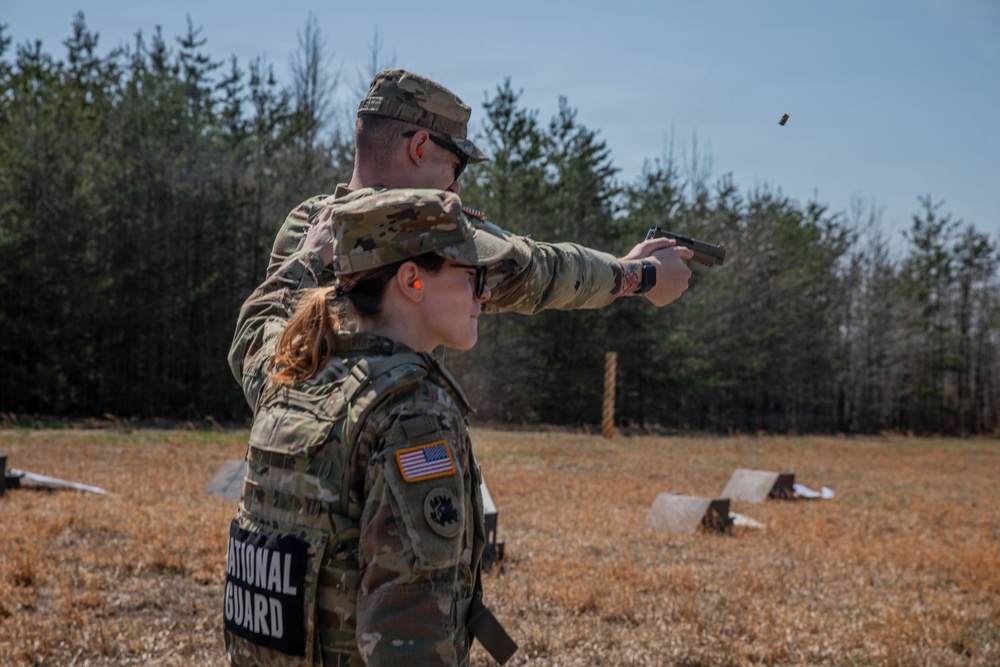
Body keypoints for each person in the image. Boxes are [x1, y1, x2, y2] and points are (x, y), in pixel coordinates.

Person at [230, 68, 694, 410]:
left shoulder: (306, 226)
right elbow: (537, 271)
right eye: (457, 166)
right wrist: (642, 274)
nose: (456, 187)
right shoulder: (426, 233)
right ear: (418, 148)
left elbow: (265, 348)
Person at [224, 189, 519, 666]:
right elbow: (411, 641)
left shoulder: (291, 371)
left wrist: (310, 257)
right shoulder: (413, 416)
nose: (484, 294)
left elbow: (258, 324)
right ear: (411, 280)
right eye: (474, 275)